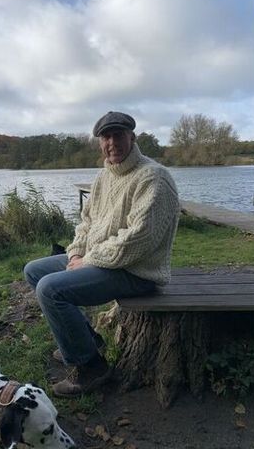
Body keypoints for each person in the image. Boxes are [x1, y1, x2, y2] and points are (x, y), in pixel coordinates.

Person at [24, 111, 180, 398]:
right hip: (102, 260)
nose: (112, 142)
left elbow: (139, 238)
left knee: (50, 289)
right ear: (99, 143)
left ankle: (92, 368)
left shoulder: (154, 177)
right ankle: (87, 340)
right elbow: (86, 224)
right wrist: (74, 255)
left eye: (118, 135)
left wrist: (90, 260)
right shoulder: (103, 177)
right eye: (106, 137)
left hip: (138, 271)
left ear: (132, 137)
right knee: (34, 270)